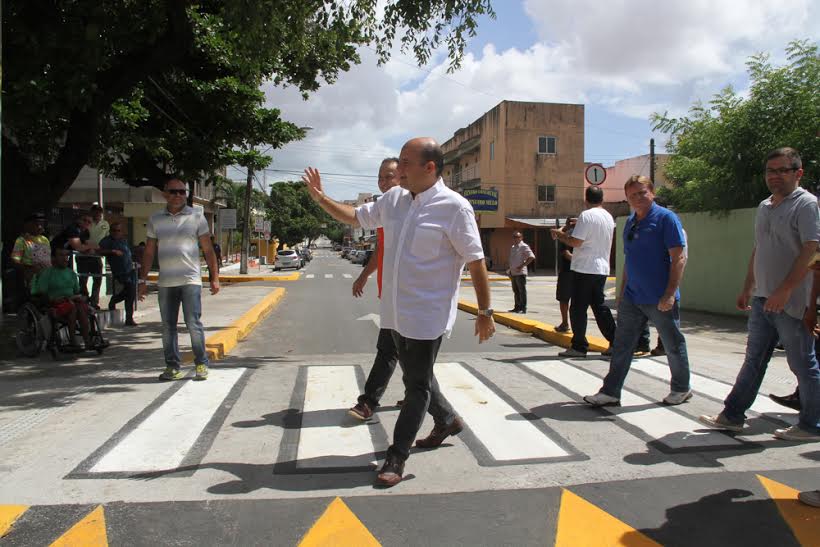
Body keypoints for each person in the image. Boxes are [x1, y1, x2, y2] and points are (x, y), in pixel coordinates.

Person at [303, 137, 495, 487]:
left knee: (416, 385)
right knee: (417, 374)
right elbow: (355, 216)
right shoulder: (394, 200)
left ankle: (397, 455)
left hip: (427, 314)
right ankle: (447, 420)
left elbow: (476, 260)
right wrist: (320, 198)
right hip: (393, 311)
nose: (398, 170)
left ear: (429, 167)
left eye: (406, 163)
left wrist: (485, 310)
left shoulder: (455, 208)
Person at [699, 147, 820, 441]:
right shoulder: (765, 206)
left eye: (782, 170)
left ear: (798, 173)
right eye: (770, 171)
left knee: (803, 364)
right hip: (764, 298)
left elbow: (813, 250)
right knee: (754, 359)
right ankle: (732, 415)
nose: (775, 176)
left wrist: (787, 291)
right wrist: (748, 286)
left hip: (791, 302)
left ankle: (811, 425)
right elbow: (760, 248)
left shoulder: (806, 204)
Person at [583, 175, 693, 406]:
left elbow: (678, 259)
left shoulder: (666, 219)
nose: (638, 198)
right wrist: (621, 293)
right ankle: (611, 392)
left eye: (642, 192)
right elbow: (630, 261)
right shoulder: (632, 221)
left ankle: (681, 388)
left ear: (652, 192)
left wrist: (670, 293)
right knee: (622, 346)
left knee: (672, 344)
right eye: (632, 195)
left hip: (660, 297)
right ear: (627, 198)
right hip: (633, 297)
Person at [138, 179, 220, 382]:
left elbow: (208, 250)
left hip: (190, 280)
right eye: (173, 191)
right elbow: (149, 252)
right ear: (165, 194)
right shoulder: (156, 218)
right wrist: (142, 281)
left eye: (182, 192)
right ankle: (172, 367)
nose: (178, 195)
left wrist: (214, 278)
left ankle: (201, 363)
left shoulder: (197, 216)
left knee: (193, 323)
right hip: (166, 282)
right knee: (168, 326)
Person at [348, 157, 402, 421]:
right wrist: (364, 276)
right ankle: (436, 409)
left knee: (389, 351)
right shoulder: (384, 212)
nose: (383, 182)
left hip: (406, 298)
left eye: (388, 176)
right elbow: (380, 250)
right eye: (380, 177)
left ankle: (368, 402)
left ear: (402, 176)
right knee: (405, 357)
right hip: (390, 294)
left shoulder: (409, 207)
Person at [551, 186, 616, 357]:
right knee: (599, 306)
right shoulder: (608, 217)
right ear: (602, 199)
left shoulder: (586, 216)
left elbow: (576, 242)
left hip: (584, 267)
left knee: (578, 307)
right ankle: (616, 341)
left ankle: (579, 346)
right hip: (601, 268)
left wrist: (559, 234)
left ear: (586, 199)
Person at [31, 247, 91, 350]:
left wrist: (81, 297)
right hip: (55, 304)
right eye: (61, 255)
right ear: (53, 258)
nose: (65, 258)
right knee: (73, 307)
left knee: (79, 307)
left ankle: (87, 341)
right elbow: (41, 293)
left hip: (71, 301)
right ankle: (73, 340)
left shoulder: (71, 273)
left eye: (66, 255)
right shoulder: (47, 273)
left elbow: (77, 291)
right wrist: (54, 300)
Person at [51, 213, 99, 300]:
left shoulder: (84, 232)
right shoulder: (73, 229)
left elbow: (92, 245)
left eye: (89, 222)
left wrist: (88, 247)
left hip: (65, 256)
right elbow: (78, 247)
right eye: (84, 220)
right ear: (79, 220)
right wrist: (88, 247)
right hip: (54, 255)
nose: (86, 223)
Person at [99, 222, 137, 326]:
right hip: (120, 272)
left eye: (118, 230)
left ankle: (118, 303)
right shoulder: (107, 241)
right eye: (114, 230)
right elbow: (99, 251)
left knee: (131, 293)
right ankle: (127, 315)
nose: (116, 232)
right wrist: (112, 251)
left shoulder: (123, 240)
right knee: (130, 291)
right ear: (110, 231)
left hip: (130, 270)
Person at [11, 213, 52, 290]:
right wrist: (29, 269)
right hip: (31, 278)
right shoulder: (21, 240)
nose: (40, 227)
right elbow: (15, 261)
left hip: (46, 276)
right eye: (36, 224)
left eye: (42, 224)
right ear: (28, 225)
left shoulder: (44, 239)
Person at [555, 217, 576, 332]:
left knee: (564, 299)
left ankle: (565, 323)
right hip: (575, 271)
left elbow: (567, 254)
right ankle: (566, 323)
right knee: (567, 300)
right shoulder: (568, 236)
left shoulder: (566, 238)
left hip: (568, 272)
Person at [507, 231, 535, 313]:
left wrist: (522, 265)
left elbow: (532, 257)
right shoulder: (513, 247)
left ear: (521, 238)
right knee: (516, 291)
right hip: (513, 272)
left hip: (520, 273)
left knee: (522, 291)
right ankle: (517, 307)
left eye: (517, 237)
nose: (516, 239)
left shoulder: (524, 246)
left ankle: (523, 308)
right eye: (514, 237)